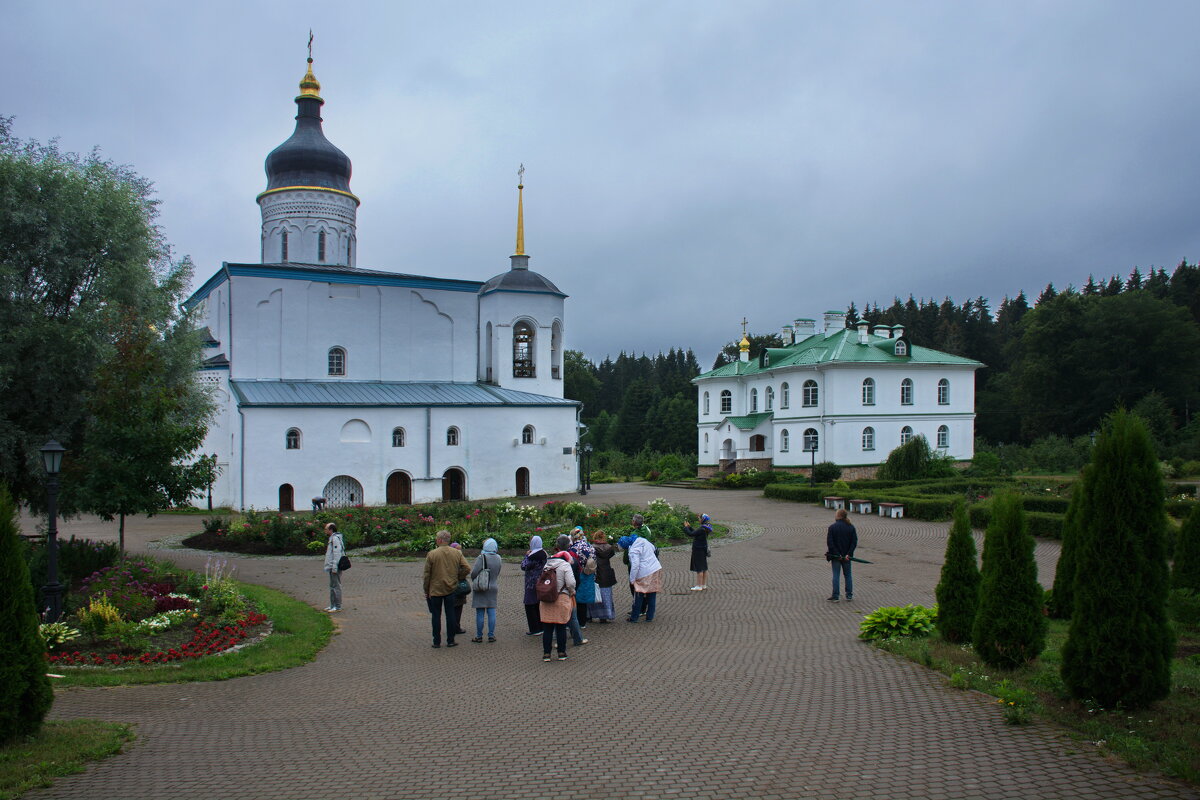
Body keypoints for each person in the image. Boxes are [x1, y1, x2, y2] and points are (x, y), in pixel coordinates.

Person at [423, 529, 470, 647]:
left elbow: (427, 575)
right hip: (451, 587)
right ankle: (450, 640)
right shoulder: (457, 553)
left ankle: (436, 641)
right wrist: (458, 577)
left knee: (436, 616)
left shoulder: (432, 554)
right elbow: (467, 568)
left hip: (435, 589)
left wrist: (426, 589)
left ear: (439, 540)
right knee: (450, 614)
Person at [539, 549, 576, 661]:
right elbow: (571, 582)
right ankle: (561, 652)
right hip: (561, 597)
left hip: (546, 598)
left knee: (547, 627)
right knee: (561, 627)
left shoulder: (546, 565)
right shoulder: (565, 566)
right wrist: (572, 591)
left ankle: (546, 654)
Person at [620, 527, 663, 623]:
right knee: (652, 594)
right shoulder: (643, 540)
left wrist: (632, 579)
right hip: (655, 568)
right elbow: (653, 549)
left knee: (639, 594)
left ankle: (634, 617)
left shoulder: (633, 550)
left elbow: (635, 566)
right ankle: (649, 617)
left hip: (644, 573)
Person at [555, 533, 588, 646]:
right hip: (569, 591)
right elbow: (576, 577)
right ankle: (577, 638)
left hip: (556, 592)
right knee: (572, 616)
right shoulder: (572, 559)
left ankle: (558, 641)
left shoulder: (553, 559)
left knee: (558, 617)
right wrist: (573, 590)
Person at [470, 538, 502, 642]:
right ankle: (491, 635)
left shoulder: (481, 557)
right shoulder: (498, 558)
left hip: (481, 586)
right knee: (491, 611)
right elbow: (498, 572)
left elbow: (474, 572)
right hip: (493, 586)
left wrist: (474, 578)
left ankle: (479, 636)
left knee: (480, 612)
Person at [827, 508, 858, 602]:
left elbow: (830, 543)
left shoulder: (832, 527)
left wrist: (837, 554)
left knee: (836, 575)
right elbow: (854, 542)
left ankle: (836, 596)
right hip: (847, 557)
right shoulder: (851, 527)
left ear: (838, 515)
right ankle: (849, 595)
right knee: (848, 575)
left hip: (836, 556)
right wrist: (849, 553)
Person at [520, 535, 548, 635]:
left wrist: (526, 556)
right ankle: (541, 626)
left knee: (530, 604)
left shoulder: (533, 555)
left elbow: (523, 566)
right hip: (541, 581)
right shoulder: (544, 553)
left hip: (531, 584)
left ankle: (535, 628)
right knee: (538, 604)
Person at [570, 528, 597, 627]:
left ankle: (577, 621)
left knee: (577, 598)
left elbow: (572, 563)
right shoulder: (590, 546)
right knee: (584, 599)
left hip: (578, 574)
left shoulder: (574, 548)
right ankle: (583, 621)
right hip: (589, 574)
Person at [589, 531, 617, 622]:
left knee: (596, 594)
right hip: (607, 572)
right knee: (606, 595)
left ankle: (593, 614)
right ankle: (606, 615)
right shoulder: (609, 547)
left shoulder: (592, 548)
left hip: (597, 572)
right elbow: (611, 554)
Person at [684, 513, 712, 591]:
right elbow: (695, 533)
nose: (699, 520)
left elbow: (690, 534)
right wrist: (690, 527)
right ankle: (703, 585)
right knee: (704, 567)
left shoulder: (701, 529)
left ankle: (699, 585)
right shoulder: (706, 528)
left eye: (700, 518)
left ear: (703, 520)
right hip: (703, 549)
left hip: (698, 549)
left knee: (699, 568)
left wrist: (686, 527)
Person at [322, 522, 345, 612]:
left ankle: (338, 606)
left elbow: (337, 553)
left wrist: (335, 567)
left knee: (336, 586)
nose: (325, 531)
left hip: (334, 566)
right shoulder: (332, 538)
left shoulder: (335, 539)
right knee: (332, 586)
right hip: (331, 566)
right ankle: (332, 605)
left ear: (331, 530)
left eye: (326, 529)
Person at [449, 542, 468, 635]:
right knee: (457, 608)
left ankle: (452, 626)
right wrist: (460, 576)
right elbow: (467, 568)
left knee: (452, 608)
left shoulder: (448, 558)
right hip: (458, 586)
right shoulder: (460, 558)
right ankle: (456, 627)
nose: (459, 551)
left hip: (449, 585)